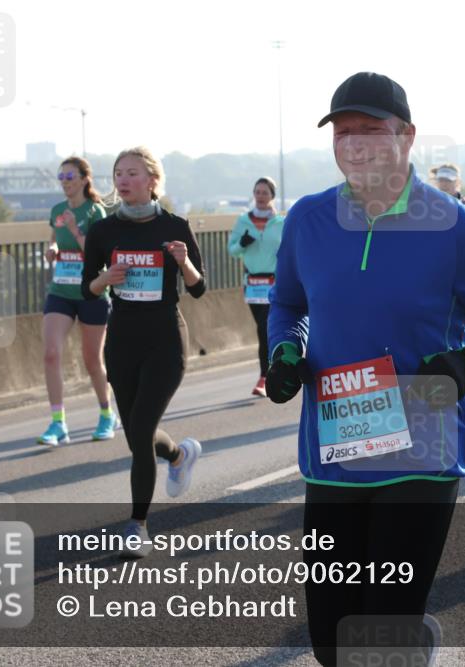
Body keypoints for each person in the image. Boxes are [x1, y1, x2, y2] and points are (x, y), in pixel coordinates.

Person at [266, 72, 465, 666]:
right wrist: (285, 351)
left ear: (408, 136)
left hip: (420, 449)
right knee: (330, 641)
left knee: (378, 638)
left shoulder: (455, 227)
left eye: (371, 130)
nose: (356, 145)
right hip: (334, 451)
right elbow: (289, 303)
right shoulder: (308, 221)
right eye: (343, 133)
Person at [81, 147, 205, 557]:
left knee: (140, 427)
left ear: (152, 179)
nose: (123, 179)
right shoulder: (103, 232)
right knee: (138, 433)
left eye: (132, 172)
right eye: (118, 173)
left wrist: (184, 263)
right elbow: (88, 288)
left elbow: (198, 287)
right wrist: (105, 278)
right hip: (122, 340)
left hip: (166, 339)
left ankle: (137, 525)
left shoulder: (174, 226)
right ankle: (177, 453)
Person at [38, 157, 117, 446]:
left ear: (84, 179)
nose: (65, 181)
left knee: (92, 360)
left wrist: (75, 231)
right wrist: (53, 249)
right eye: (61, 176)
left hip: (91, 292)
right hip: (61, 290)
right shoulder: (57, 211)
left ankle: (107, 413)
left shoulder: (94, 211)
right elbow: (53, 239)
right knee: (50, 353)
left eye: (70, 175)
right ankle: (58, 423)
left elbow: (99, 254)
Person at [228, 177, 285, 397]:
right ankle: (272, 369)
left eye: (265, 192)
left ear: (272, 196)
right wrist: (242, 243)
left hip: (275, 282)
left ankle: (265, 377)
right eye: (257, 192)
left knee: (265, 328)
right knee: (263, 329)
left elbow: (290, 250)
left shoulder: (281, 223)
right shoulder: (243, 220)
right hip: (252, 284)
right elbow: (232, 250)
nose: (261, 196)